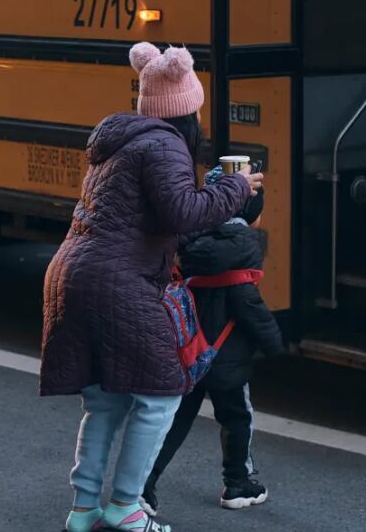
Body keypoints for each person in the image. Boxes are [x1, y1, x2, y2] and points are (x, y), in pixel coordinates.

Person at [40, 42, 264, 532]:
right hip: (119, 283)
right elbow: (183, 212)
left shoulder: (122, 142)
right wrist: (236, 188)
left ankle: (84, 511)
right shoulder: (165, 144)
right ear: (189, 111)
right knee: (161, 396)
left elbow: (167, 222)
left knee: (106, 400)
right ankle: (126, 506)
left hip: (74, 274)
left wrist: (229, 203)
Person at [140, 168, 284, 516]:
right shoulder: (243, 248)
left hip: (190, 353)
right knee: (237, 418)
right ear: (250, 212)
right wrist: (275, 343)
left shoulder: (190, 245)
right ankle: (238, 483)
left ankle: (144, 485)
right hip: (227, 357)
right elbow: (248, 304)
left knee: (175, 421)